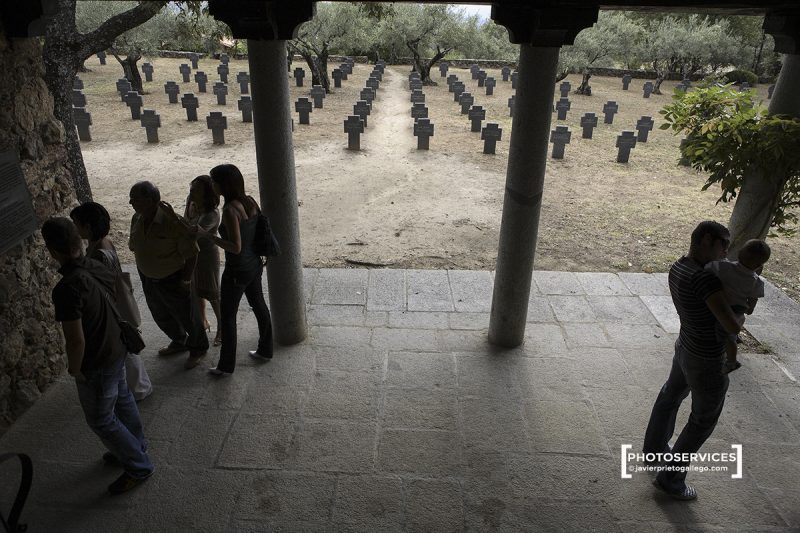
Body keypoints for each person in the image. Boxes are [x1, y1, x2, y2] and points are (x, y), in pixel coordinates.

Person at [41, 217, 154, 495]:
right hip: (115, 346)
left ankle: (138, 464)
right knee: (124, 400)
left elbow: (76, 339)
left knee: (102, 419)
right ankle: (134, 445)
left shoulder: (67, 288)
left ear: (53, 252)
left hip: (97, 359)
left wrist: (74, 369)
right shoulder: (95, 264)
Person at [642, 221, 745, 500]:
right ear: (706, 240)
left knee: (670, 395)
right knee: (702, 421)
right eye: (723, 243)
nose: (726, 251)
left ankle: (653, 453)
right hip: (708, 359)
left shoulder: (678, 267)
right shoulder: (705, 279)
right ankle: (671, 479)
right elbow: (732, 325)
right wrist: (743, 309)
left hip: (685, 346)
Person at [70, 202, 153, 401]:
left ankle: (139, 388)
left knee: (125, 347)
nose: (75, 229)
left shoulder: (98, 252)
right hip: (116, 301)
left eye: (77, 224)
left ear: (88, 227)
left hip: (111, 304)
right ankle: (140, 386)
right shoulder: (104, 242)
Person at [197, 164, 273, 376]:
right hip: (254, 265)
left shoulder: (230, 210)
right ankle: (266, 349)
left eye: (214, 181)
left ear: (223, 184)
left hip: (237, 270)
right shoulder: (249, 201)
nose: (211, 184)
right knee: (259, 306)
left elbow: (235, 247)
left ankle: (226, 365)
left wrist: (209, 236)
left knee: (228, 316)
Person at [128, 181, 209, 369]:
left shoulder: (173, 222)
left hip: (173, 277)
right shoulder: (136, 218)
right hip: (148, 277)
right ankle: (179, 340)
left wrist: (186, 280)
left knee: (188, 316)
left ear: (150, 200)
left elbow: (192, 253)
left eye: (135, 199)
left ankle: (198, 348)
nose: (131, 202)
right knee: (159, 314)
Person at [705, 239, 771, 369]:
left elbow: (707, 267)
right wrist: (748, 308)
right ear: (760, 266)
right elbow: (751, 306)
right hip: (737, 310)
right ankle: (731, 359)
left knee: (726, 335)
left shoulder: (723, 267)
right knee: (730, 336)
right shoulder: (757, 283)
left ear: (739, 253)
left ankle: (731, 361)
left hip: (721, 304)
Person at [183, 176, 222, 347]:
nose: (191, 192)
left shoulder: (212, 214)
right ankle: (204, 321)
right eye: (191, 188)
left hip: (206, 256)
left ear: (206, 194)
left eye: (196, 189)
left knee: (213, 293)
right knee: (197, 290)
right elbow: (185, 222)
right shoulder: (192, 204)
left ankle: (222, 326)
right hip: (193, 254)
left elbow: (192, 232)